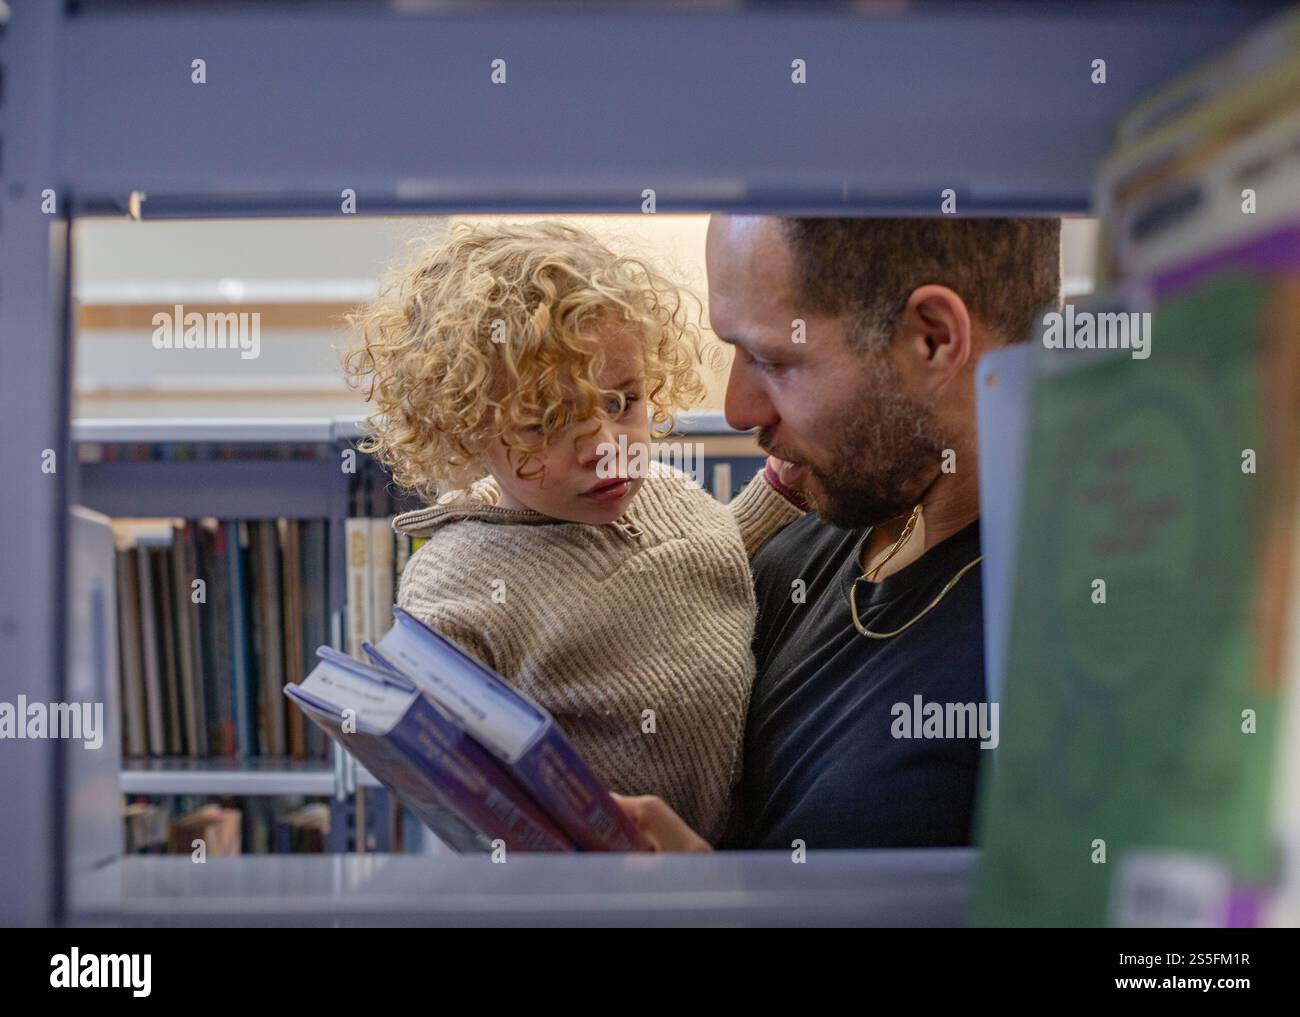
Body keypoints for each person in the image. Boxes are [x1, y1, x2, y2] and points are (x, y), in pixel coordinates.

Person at [341, 219, 804, 846]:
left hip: (733, 858)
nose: (606, 449)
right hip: (600, 879)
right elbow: (452, 762)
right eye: (546, 422)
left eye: (623, 403)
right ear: (465, 430)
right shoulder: (458, 578)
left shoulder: (664, 490)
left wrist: (780, 490)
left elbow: (717, 548)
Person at [614, 215, 1061, 851]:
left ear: (932, 341)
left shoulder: (1075, 646)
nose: (740, 408)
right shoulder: (796, 552)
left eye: (773, 360)